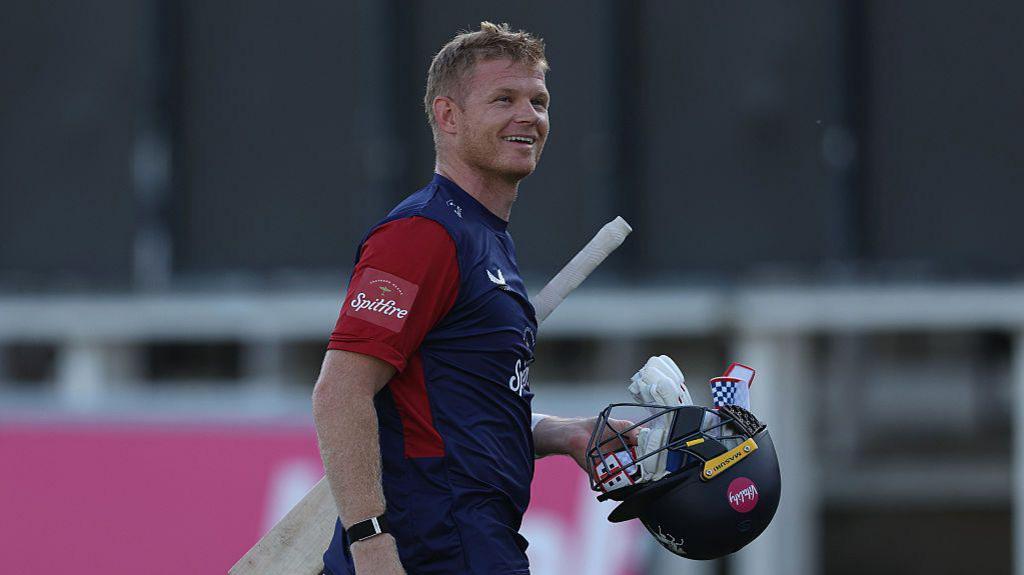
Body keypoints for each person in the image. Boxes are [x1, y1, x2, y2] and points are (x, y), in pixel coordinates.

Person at [312, 22, 630, 575]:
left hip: (475, 538)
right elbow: (340, 392)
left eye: (539, 100)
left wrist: (564, 433)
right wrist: (372, 546)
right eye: (503, 99)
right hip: (431, 545)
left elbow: (453, 414)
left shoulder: (486, 239)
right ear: (448, 116)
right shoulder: (423, 235)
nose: (528, 115)